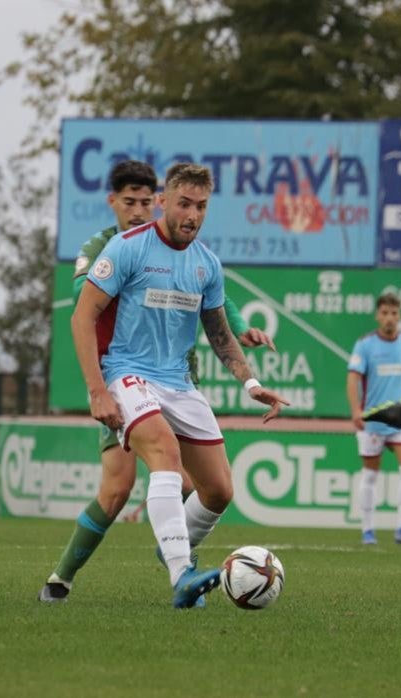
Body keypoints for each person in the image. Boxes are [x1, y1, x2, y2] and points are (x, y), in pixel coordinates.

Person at [39, 161, 272, 603]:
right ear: (165, 202)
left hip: (179, 383)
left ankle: (174, 550)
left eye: (201, 206)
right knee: (139, 473)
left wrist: (251, 384)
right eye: (183, 203)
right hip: (126, 374)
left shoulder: (207, 263)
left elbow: (219, 328)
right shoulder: (121, 248)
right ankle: (179, 574)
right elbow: (82, 313)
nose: (192, 214)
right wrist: (96, 389)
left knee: (219, 489)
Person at [346, 293, 401, 546]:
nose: (389, 318)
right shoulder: (365, 345)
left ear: (399, 315)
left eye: (394, 313)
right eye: (385, 313)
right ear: (377, 315)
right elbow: (353, 378)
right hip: (374, 420)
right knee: (370, 475)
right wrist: (355, 411)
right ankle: (367, 530)